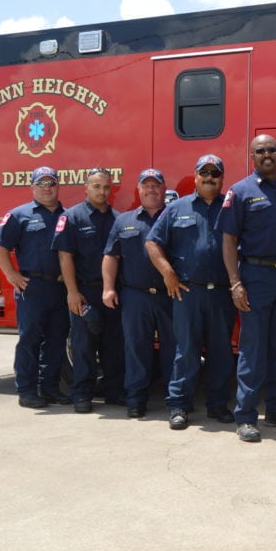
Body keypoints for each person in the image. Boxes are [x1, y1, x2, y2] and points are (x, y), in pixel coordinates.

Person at [217, 136, 276, 442]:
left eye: (271, 150)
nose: (267, 154)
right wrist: (235, 282)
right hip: (255, 276)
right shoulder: (241, 192)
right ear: (252, 156)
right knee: (252, 349)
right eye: (261, 151)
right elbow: (229, 240)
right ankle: (245, 416)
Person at [146, 154, 236, 431]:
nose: (209, 177)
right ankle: (178, 405)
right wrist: (168, 274)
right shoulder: (177, 208)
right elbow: (152, 243)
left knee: (222, 353)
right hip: (188, 293)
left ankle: (217, 404)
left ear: (221, 178)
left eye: (215, 173)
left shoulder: (231, 208)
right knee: (185, 351)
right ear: (195, 176)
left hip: (222, 294)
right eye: (204, 172)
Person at [0, 166, 69, 408]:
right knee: (30, 340)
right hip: (32, 287)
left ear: (58, 186)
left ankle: (50, 388)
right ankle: (26, 390)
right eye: (42, 183)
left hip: (60, 287)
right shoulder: (19, 215)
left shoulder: (69, 216)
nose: (47, 188)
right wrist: (11, 275)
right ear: (33, 187)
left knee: (56, 340)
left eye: (51, 183)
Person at [102, 168, 176, 419]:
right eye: (146, 185)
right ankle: (136, 399)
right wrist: (109, 287)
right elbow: (111, 256)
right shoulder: (124, 221)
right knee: (136, 348)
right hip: (135, 295)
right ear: (138, 189)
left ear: (164, 189)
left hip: (171, 295)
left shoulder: (174, 217)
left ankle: (174, 400)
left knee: (173, 348)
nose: (151, 189)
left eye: (156, 185)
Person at [51, 167, 125, 413]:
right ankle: (82, 394)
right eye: (96, 186)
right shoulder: (72, 217)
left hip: (113, 292)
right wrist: (72, 292)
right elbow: (65, 258)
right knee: (83, 347)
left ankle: (114, 391)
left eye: (106, 187)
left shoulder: (118, 218)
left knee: (113, 345)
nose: (102, 191)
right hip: (84, 292)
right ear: (85, 188)